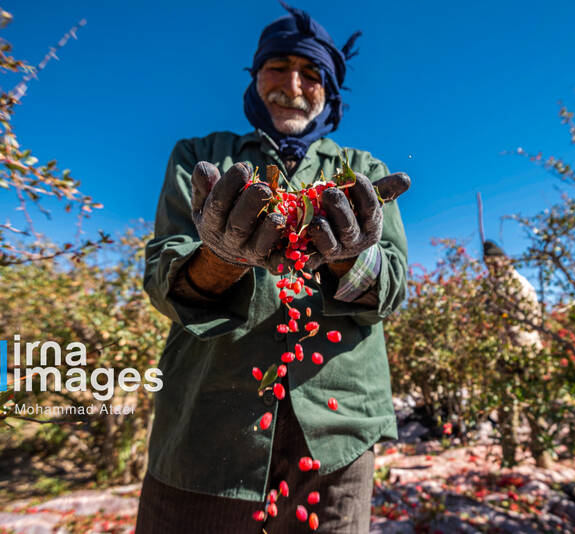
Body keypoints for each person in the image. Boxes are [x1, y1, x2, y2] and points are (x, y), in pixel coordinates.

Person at [136, 3, 410, 532]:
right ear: (255, 77)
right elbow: (162, 279)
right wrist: (219, 259)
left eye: (312, 73)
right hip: (206, 428)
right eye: (278, 67)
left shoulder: (364, 173)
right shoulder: (199, 157)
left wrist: (351, 259)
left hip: (337, 432)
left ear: (330, 90)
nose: (293, 84)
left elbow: (392, 287)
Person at [483, 240, 546, 467]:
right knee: (509, 407)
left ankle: (540, 456)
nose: (491, 267)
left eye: (493, 263)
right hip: (512, 351)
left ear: (503, 260)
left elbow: (502, 312)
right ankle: (511, 458)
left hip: (522, 350)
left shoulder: (514, 284)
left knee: (530, 405)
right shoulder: (503, 283)